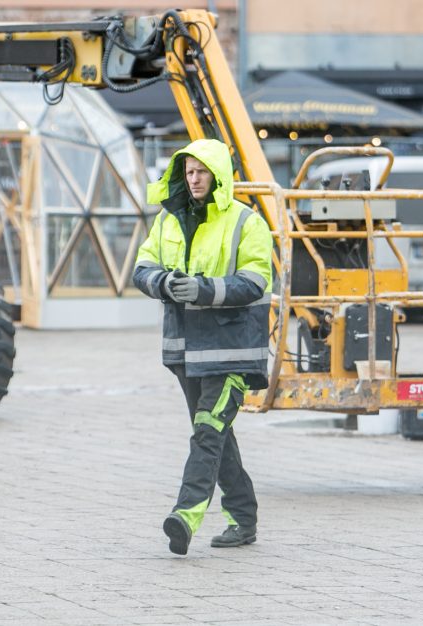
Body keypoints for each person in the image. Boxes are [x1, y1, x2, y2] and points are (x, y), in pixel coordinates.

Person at [133, 138, 272, 555]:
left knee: (208, 432)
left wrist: (202, 288)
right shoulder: (168, 220)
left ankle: (185, 515)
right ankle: (243, 519)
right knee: (215, 433)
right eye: (188, 172)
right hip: (185, 350)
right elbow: (142, 267)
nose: (193, 179)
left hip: (231, 351)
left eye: (201, 172)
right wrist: (163, 283)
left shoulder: (247, 222)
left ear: (218, 175)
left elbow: (256, 279)